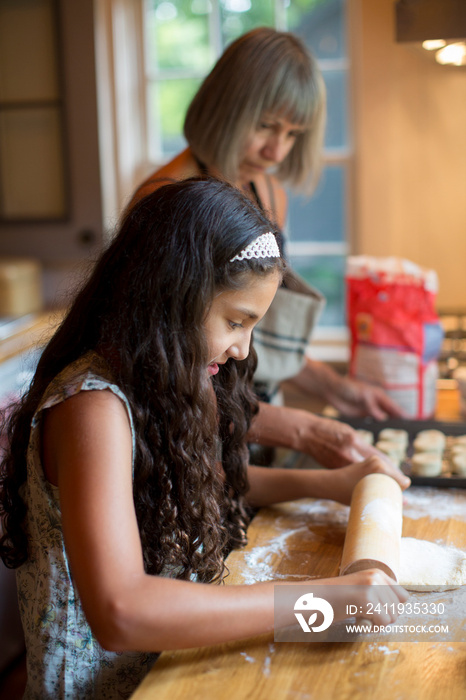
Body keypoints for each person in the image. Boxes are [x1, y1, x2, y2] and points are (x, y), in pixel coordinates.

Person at [0, 179, 409, 699]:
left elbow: (200, 481)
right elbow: (120, 611)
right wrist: (315, 600)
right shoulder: (92, 409)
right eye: (236, 321)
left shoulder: (155, 381)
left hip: (176, 668)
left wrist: (334, 483)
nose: (243, 348)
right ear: (170, 298)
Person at [127, 27, 404, 471]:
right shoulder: (165, 201)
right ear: (226, 108)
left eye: (294, 134)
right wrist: (303, 429)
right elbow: (162, 374)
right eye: (266, 126)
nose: (276, 150)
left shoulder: (269, 193)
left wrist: (335, 388)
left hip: (255, 419)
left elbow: (252, 332)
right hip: (195, 434)